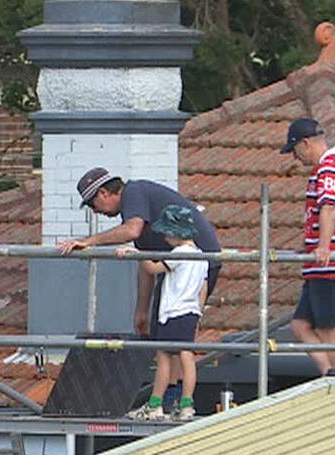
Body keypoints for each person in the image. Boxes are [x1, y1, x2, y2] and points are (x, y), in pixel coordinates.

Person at [58, 168, 222, 408]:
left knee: (174, 338)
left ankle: (172, 399)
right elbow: (146, 263)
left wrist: (88, 241)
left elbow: (131, 231)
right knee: (163, 335)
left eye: (94, 205)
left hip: (193, 266)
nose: (97, 212)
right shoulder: (140, 210)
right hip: (177, 268)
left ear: (104, 193)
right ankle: (171, 397)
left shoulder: (133, 193)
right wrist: (141, 311)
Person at [281, 118, 335, 376]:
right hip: (320, 263)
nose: (296, 158)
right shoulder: (327, 168)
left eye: (295, 151)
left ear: (306, 144)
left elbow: (329, 207)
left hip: (331, 263)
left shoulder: (328, 169)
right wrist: (308, 245)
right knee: (300, 325)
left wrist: (324, 247)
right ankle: (329, 373)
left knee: (326, 326)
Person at [117, 206, 206, 421]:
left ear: (177, 233)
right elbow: (203, 287)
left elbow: (154, 268)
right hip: (191, 310)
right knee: (187, 355)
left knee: (164, 357)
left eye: (167, 233)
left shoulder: (179, 253)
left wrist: (137, 254)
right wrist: (199, 312)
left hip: (173, 311)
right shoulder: (202, 256)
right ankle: (187, 403)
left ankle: (155, 404)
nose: (165, 238)